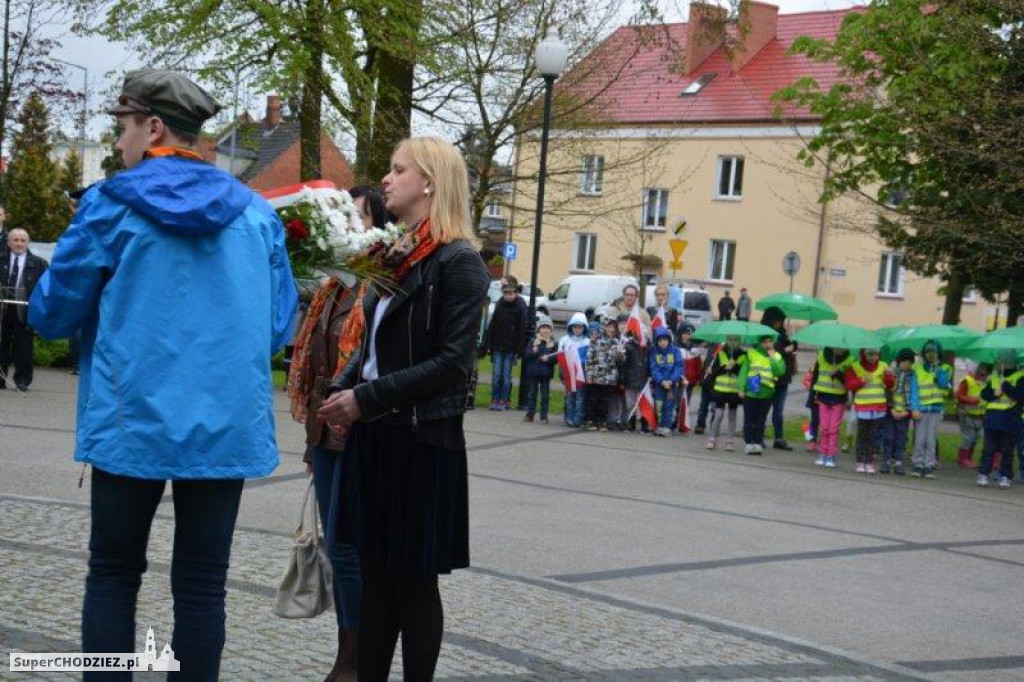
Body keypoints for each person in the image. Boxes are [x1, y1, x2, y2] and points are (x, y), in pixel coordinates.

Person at [28, 69, 298, 680]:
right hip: (224, 427)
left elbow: (50, 313)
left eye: (121, 127)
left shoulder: (108, 206)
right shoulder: (257, 216)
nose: (118, 142)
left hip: (132, 421)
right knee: (203, 586)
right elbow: (279, 326)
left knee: (114, 574)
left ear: (152, 128)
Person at [317, 136, 489, 680]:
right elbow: (367, 345)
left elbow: (453, 363)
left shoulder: (458, 261)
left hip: (420, 441)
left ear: (430, 182)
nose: (385, 179)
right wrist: (340, 387)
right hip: (376, 436)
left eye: (398, 170)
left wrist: (363, 398)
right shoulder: (394, 253)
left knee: (413, 583)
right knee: (372, 578)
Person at [287, 185, 389, 681]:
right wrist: (312, 442)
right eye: (345, 214)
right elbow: (319, 362)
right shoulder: (334, 286)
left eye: (357, 214)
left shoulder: (380, 287)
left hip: (361, 433)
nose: (346, 222)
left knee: (351, 549)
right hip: (325, 435)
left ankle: (354, 660)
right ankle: (347, 653)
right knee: (336, 546)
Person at [0, 228, 47, 390]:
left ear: (27, 243)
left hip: (25, 311)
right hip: (3, 309)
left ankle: (22, 380)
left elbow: (45, 288)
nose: (19, 243)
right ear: (8, 242)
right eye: (15, 240)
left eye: (22, 240)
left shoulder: (39, 264)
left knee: (24, 348)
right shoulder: (1, 260)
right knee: (1, 344)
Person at [977, 350, 1024, 488]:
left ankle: (1005, 475)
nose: (997, 363)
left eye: (1000, 361)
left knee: (1007, 450)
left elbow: (1020, 397)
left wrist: (1006, 387)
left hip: (1010, 419)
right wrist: (994, 393)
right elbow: (984, 395)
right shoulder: (994, 377)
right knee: (988, 449)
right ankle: (983, 473)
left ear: (1008, 362)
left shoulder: (1020, 377)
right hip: (992, 419)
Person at [844, 348, 895, 474]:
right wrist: (861, 380)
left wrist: (888, 375)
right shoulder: (855, 367)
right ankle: (860, 461)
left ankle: (869, 462)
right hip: (862, 407)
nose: (873, 357)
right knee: (862, 435)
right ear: (863, 354)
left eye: (875, 354)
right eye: (869, 354)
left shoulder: (883, 366)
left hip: (878, 406)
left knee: (872, 436)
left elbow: (889, 385)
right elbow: (849, 385)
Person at [737, 334, 785, 455]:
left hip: (766, 393)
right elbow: (744, 371)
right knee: (749, 419)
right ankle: (749, 443)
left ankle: (758, 442)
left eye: (770, 341)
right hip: (751, 392)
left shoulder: (777, 356)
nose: (767, 344)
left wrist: (772, 358)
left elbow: (780, 371)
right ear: (760, 343)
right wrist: (741, 388)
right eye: (764, 342)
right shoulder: (752, 353)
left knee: (761, 420)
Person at [910, 340, 951, 478]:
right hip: (921, 409)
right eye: (927, 351)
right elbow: (914, 390)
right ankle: (918, 463)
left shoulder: (944, 368)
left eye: (933, 351)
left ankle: (928, 464)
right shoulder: (918, 368)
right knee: (920, 438)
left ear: (938, 353)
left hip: (935, 409)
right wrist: (914, 408)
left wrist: (937, 370)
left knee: (931, 439)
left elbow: (944, 384)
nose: (930, 354)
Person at [484, 283, 526, 410]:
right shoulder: (499, 306)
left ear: (515, 294)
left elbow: (521, 329)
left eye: (511, 293)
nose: (508, 296)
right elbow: (492, 327)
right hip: (497, 346)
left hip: (510, 348)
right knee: (496, 375)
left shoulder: (519, 307)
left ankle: (503, 400)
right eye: (506, 293)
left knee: (506, 376)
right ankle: (495, 399)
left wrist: (519, 349)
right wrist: (489, 344)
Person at [760, 306, 797, 450]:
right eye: (779, 321)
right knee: (763, 409)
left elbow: (790, 345)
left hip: (782, 377)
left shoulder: (782, 334)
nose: (780, 323)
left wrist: (792, 345)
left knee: (778, 410)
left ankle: (779, 438)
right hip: (768, 378)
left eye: (781, 321)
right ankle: (759, 436)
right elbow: (769, 352)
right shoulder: (765, 335)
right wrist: (784, 351)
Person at [810, 347, 852, 468]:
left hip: (839, 398)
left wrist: (839, 374)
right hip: (823, 396)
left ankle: (831, 455)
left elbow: (849, 381)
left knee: (833, 429)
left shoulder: (849, 359)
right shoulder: (822, 355)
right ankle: (823, 453)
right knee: (824, 428)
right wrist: (812, 395)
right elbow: (815, 376)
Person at [881, 348, 917, 475]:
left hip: (905, 413)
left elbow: (914, 394)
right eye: (904, 361)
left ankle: (898, 462)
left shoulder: (913, 376)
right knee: (888, 437)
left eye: (909, 362)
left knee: (901, 438)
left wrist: (907, 411)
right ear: (899, 361)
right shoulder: (891, 374)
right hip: (891, 411)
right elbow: (886, 392)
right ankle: (886, 460)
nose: (906, 364)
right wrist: (891, 409)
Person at [706, 335, 745, 451]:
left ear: (739, 341)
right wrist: (725, 368)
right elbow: (714, 371)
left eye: (735, 340)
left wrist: (734, 366)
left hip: (734, 390)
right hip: (720, 390)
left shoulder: (743, 355)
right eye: (731, 340)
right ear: (727, 340)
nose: (733, 342)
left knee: (732, 416)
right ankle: (712, 438)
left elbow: (743, 372)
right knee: (718, 415)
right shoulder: (720, 353)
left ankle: (730, 440)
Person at [584, 315, 623, 431]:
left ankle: (602, 421)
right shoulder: (595, 341)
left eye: (613, 327)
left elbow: (620, 361)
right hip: (596, 376)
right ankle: (591, 420)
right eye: (609, 327)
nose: (611, 329)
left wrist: (620, 353)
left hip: (609, 378)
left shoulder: (617, 342)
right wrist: (589, 376)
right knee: (593, 399)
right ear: (604, 327)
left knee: (605, 401)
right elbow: (589, 359)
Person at [648, 326, 684, 436]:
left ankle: (667, 426)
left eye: (664, 339)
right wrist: (661, 380)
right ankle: (658, 425)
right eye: (659, 340)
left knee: (669, 405)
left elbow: (679, 367)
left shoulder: (675, 351)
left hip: (672, 385)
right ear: (656, 341)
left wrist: (672, 380)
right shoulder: (654, 352)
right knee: (658, 405)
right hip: (659, 385)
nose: (662, 342)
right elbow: (654, 368)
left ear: (669, 339)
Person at [521, 315, 558, 424]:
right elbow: (526, 356)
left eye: (548, 328)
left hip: (546, 373)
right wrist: (533, 352)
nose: (545, 330)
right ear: (539, 329)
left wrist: (549, 358)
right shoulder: (534, 341)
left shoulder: (553, 343)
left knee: (545, 395)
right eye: (543, 327)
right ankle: (530, 414)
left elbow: (556, 357)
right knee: (532, 394)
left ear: (551, 329)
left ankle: (543, 416)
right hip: (533, 372)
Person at [955, 361, 990, 469]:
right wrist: (971, 400)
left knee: (976, 437)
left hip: (979, 415)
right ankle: (962, 458)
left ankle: (968, 458)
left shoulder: (985, 382)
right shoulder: (967, 381)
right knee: (968, 437)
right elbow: (959, 395)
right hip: (966, 414)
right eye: (982, 370)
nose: (984, 373)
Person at [558, 312, 590, 427]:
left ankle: (578, 419)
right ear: (571, 327)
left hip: (581, 373)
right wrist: (562, 374)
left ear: (584, 328)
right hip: (569, 372)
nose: (577, 329)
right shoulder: (564, 340)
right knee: (569, 397)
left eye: (580, 327)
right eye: (575, 326)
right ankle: (569, 417)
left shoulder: (587, 342)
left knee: (580, 398)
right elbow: (560, 358)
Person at [618, 310, 648, 432]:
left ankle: (644, 425)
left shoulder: (647, 347)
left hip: (643, 378)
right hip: (630, 379)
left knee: (642, 402)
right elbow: (623, 363)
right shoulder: (628, 345)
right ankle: (631, 423)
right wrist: (620, 356)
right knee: (630, 403)